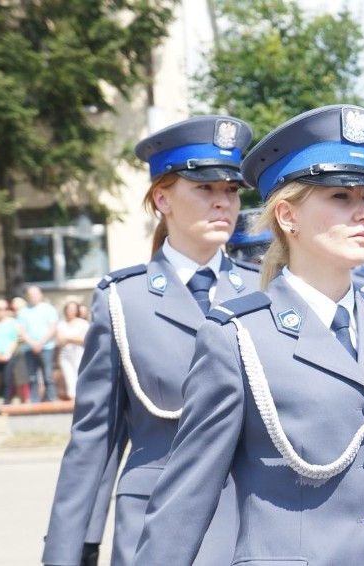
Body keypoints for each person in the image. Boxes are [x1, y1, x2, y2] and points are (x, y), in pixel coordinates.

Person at [134, 104, 364, 565]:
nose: (362, 213)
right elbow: (186, 499)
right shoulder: (237, 338)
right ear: (287, 216)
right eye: (340, 198)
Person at [43, 115, 259, 566]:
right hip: (155, 526)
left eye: (231, 190)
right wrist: (70, 549)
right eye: (205, 189)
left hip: (253, 525)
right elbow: (95, 438)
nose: (224, 203)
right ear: (162, 198)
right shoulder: (125, 300)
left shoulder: (264, 293)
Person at [17, 285, 59, 402]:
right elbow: (21, 331)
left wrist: (40, 343)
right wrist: (33, 344)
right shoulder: (23, 312)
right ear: (27, 297)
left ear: (40, 295)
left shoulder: (49, 309)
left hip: (46, 347)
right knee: (32, 376)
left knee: (48, 375)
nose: (33, 297)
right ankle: (35, 401)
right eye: (30, 295)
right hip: (29, 348)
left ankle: (51, 399)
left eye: (35, 294)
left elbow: (52, 328)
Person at [0, 299, 19, 413]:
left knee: (7, 381)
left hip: (8, 355)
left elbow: (15, 339)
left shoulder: (12, 322)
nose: (2, 311)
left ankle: (7, 405)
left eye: (4, 309)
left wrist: (8, 353)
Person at [55, 301, 90, 400]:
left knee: (80, 375)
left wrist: (68, 339)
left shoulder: (83, 323)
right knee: (69, 378)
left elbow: (83, 339)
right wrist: (74, 339)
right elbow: (60, 340)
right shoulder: (61, 324)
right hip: (65, 354)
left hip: (79, 353)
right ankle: (72, 399)